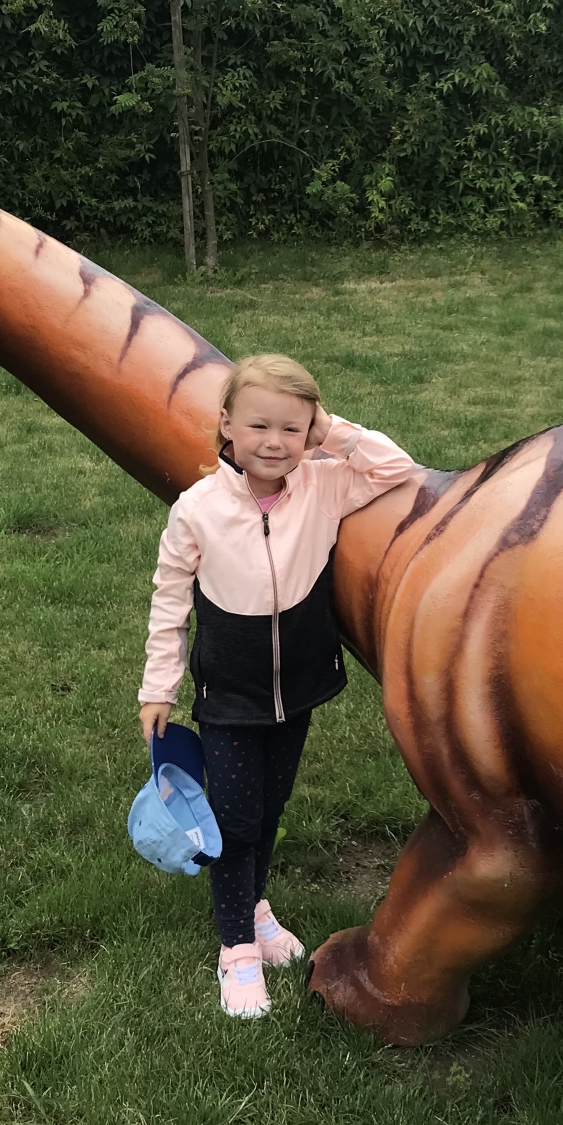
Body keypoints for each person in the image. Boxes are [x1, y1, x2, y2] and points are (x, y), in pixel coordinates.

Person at [139, 355, 419, 1018]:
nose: (274, 442)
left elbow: (396, 467)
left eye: (292, 429)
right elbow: (170, 601)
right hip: (230, 696)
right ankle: (236, 947)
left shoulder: (324, 485)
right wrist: (159, 687)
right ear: (226, 425)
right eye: (259, 425)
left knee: (268, 810)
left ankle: (254, 905)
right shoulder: (197, 510)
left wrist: (332, 433)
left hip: (298, 688)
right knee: (235, 822)